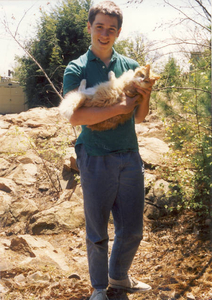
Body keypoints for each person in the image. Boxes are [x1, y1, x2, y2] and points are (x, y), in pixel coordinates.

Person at [62, 1, 153, 299]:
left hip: (128, 153)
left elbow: (139, 117)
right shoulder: (76, 68)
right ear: (89, 27)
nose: (104, 33)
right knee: (97, 231)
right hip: (94, 156)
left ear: (119, 32)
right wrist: (121, 106)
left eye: (111, 29)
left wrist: (145, 96)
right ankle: (99, 288)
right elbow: (75, 116)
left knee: (133, 229)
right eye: (99, 27)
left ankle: (118, 277)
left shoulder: (129, 66)